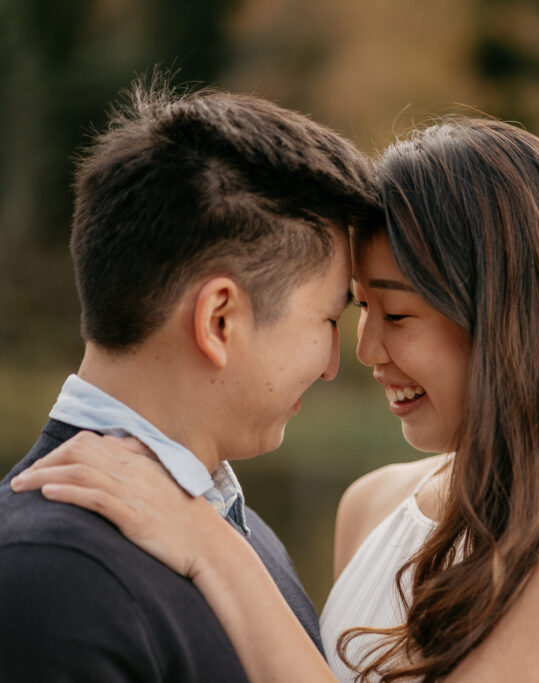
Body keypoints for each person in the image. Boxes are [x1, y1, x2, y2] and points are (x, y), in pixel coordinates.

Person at [13, 118, 539, 681]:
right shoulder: (370, 508)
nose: (364, 352)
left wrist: (209, 544)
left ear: (505, 319)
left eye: (399, 314)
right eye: (352, 312)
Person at [0, 78, 378, 680]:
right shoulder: (47, 577)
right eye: (330, 318)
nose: (335, 364)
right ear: (219, 320)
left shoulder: (245, 540)